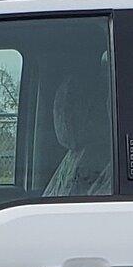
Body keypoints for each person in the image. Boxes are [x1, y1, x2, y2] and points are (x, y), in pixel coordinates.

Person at [41, 66, 111, 197]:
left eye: (72, 109)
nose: (64, 116)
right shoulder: (74, 157)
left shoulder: (98, 162)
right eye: (62, 109)